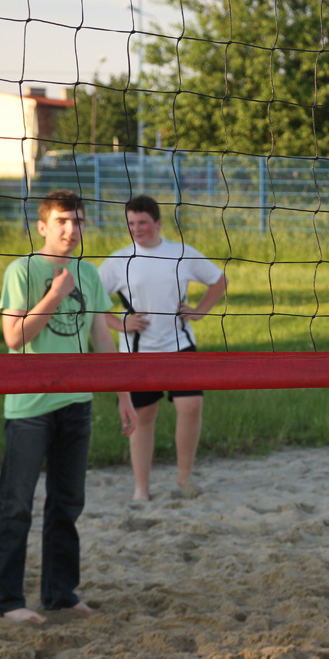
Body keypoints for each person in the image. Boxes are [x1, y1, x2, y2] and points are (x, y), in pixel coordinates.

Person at [0, 190, 137, 626]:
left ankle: (59, 594)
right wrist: (56, 293)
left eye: (78, 221)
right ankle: (8, 601)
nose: (72, 229)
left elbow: (102, 339)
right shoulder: (22, 270)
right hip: (30, 406)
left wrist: (123, 394)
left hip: (77, 403)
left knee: (67, 503)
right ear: (43, 226)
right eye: (62, 221)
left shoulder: (88, 273)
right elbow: (14, 337)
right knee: (17, 505)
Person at [99, 195, 228, 501]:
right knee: (143, 415)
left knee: (191, 405)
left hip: (179, 346)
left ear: (157, 223)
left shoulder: (180, 253)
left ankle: (184, 478)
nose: (136, 228)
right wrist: (119, 324)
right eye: (131, 223)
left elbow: (219, 280)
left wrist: (199, 311)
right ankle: (141, 489)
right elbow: (91, 300)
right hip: (137, 353)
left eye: (142, 222)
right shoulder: (118, 261)